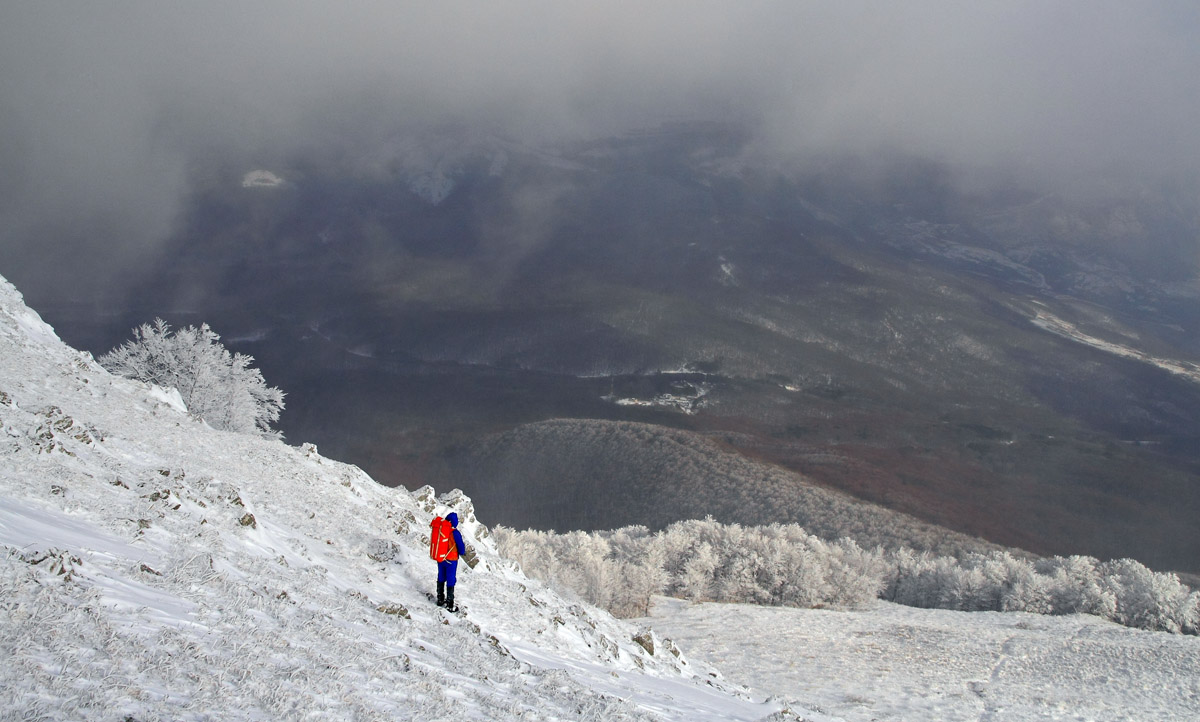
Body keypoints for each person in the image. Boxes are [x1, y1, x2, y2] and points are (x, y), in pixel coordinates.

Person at [432, 512, 466, 612]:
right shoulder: (455, 532)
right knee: (451, 579)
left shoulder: (440, 529)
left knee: (441, 576)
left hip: (440, 558)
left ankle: (440, 599)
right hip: (451, 559)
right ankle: (450, 604)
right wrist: (462, 552)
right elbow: (461, 548)